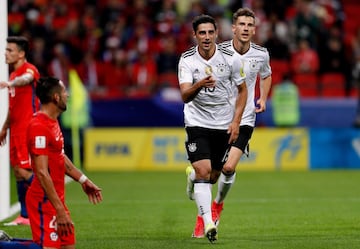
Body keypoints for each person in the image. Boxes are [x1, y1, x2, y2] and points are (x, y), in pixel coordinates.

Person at [186, 8, 272, 238]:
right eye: (241, 24)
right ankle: (195, 180)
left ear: (254, 29)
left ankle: (216, 208)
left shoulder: (261, 54)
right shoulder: (220, 51)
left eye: (249, 25)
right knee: (211, 175)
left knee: (229, 167)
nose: (245, 29)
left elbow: (266, 75)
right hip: (219, 120)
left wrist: (262, 97)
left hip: (244, 119)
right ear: (233, 28)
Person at [0, 76, 103, 249]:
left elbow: (59, 156)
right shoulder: (39, 126)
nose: (67, 95)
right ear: (56, 97)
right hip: (43, 200)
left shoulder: (52, 122)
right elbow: (41, 172)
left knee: (67, 246)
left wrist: (84, 180)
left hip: (56, 199)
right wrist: (59, 210)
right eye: (64, 92)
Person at [178, 14, 248, 242]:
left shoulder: (231, 58)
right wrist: (200, 83)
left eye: (210, 32)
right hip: (197, 123)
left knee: (215, 175)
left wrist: (236, 121)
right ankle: (208, 222)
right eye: (202, 33)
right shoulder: (187, 60)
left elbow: (242, 91)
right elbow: (185, 96)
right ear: (195, 35)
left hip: (223, 124)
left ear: (217, 33)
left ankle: (193, 182)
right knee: (203, 172)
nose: (206, 37)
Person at [0, 36, 40, 226]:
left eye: (10, 50)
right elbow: (13, 106)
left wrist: (11, 84)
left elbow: (29, 79)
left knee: (25, 172)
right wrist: (4, 127)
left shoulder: (28, 70)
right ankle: (25, 216)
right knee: (17, 172)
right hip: (15, 129)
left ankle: (50, 203)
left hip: (27, 128)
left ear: (22, 53)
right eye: (6, 50)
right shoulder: (13, 75)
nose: (5, 53)